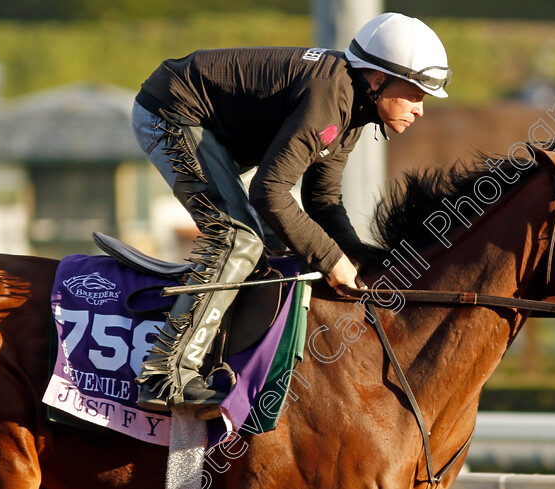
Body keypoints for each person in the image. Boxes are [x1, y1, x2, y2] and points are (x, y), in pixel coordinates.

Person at [131, 12, 451, 412]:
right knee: (238, 238)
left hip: (210, 125)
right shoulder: (328, 99)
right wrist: (332, 260)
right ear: (377, 79)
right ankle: (166, 375)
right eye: (416, 95)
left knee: (281, 239)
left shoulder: (352, 107)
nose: (420, 110)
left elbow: (323, 198)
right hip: (171, 112)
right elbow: (269, 192)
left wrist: (359, 258)